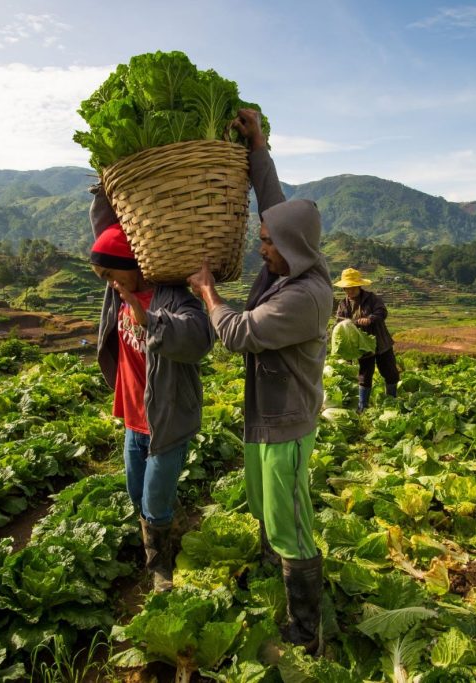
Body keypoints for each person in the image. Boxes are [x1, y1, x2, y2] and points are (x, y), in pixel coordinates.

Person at [188, 108, 333, 655]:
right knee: (265, 506)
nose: (261, 246)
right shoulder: (286, 266)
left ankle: (306, 631)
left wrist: (207, 292)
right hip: (263, 416)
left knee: (290, 519)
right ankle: (277, 573)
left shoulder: (305, 296)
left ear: (291, 246)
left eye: (268, 242)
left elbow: (238, 333)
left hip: (287, 426)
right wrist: (259, 146)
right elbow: (272, 203)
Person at [88, 193, 215, 591]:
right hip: (133, 415)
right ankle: (150, 544)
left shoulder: (172, 297)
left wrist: (151, 321)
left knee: (156, 496)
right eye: (106, 278)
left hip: (167, 417)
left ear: (134, 267)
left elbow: (200, 338)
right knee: (135, 489)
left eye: (113, 275)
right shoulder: (117, 290)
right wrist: (106, 191)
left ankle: (161, 563)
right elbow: (107, 235)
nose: (110, 284)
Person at [333, 268, 399, 411]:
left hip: (381, 343)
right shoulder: (343, 304)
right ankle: (363, 407)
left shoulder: (372, 298)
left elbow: (382, 312)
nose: (349, 291)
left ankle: (392, 402)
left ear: (358, 286)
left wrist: (370, 319)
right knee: (364, 375)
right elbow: (338, 322)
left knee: (390, 372)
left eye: (351, 287)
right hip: (362, 345)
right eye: (346, 288)